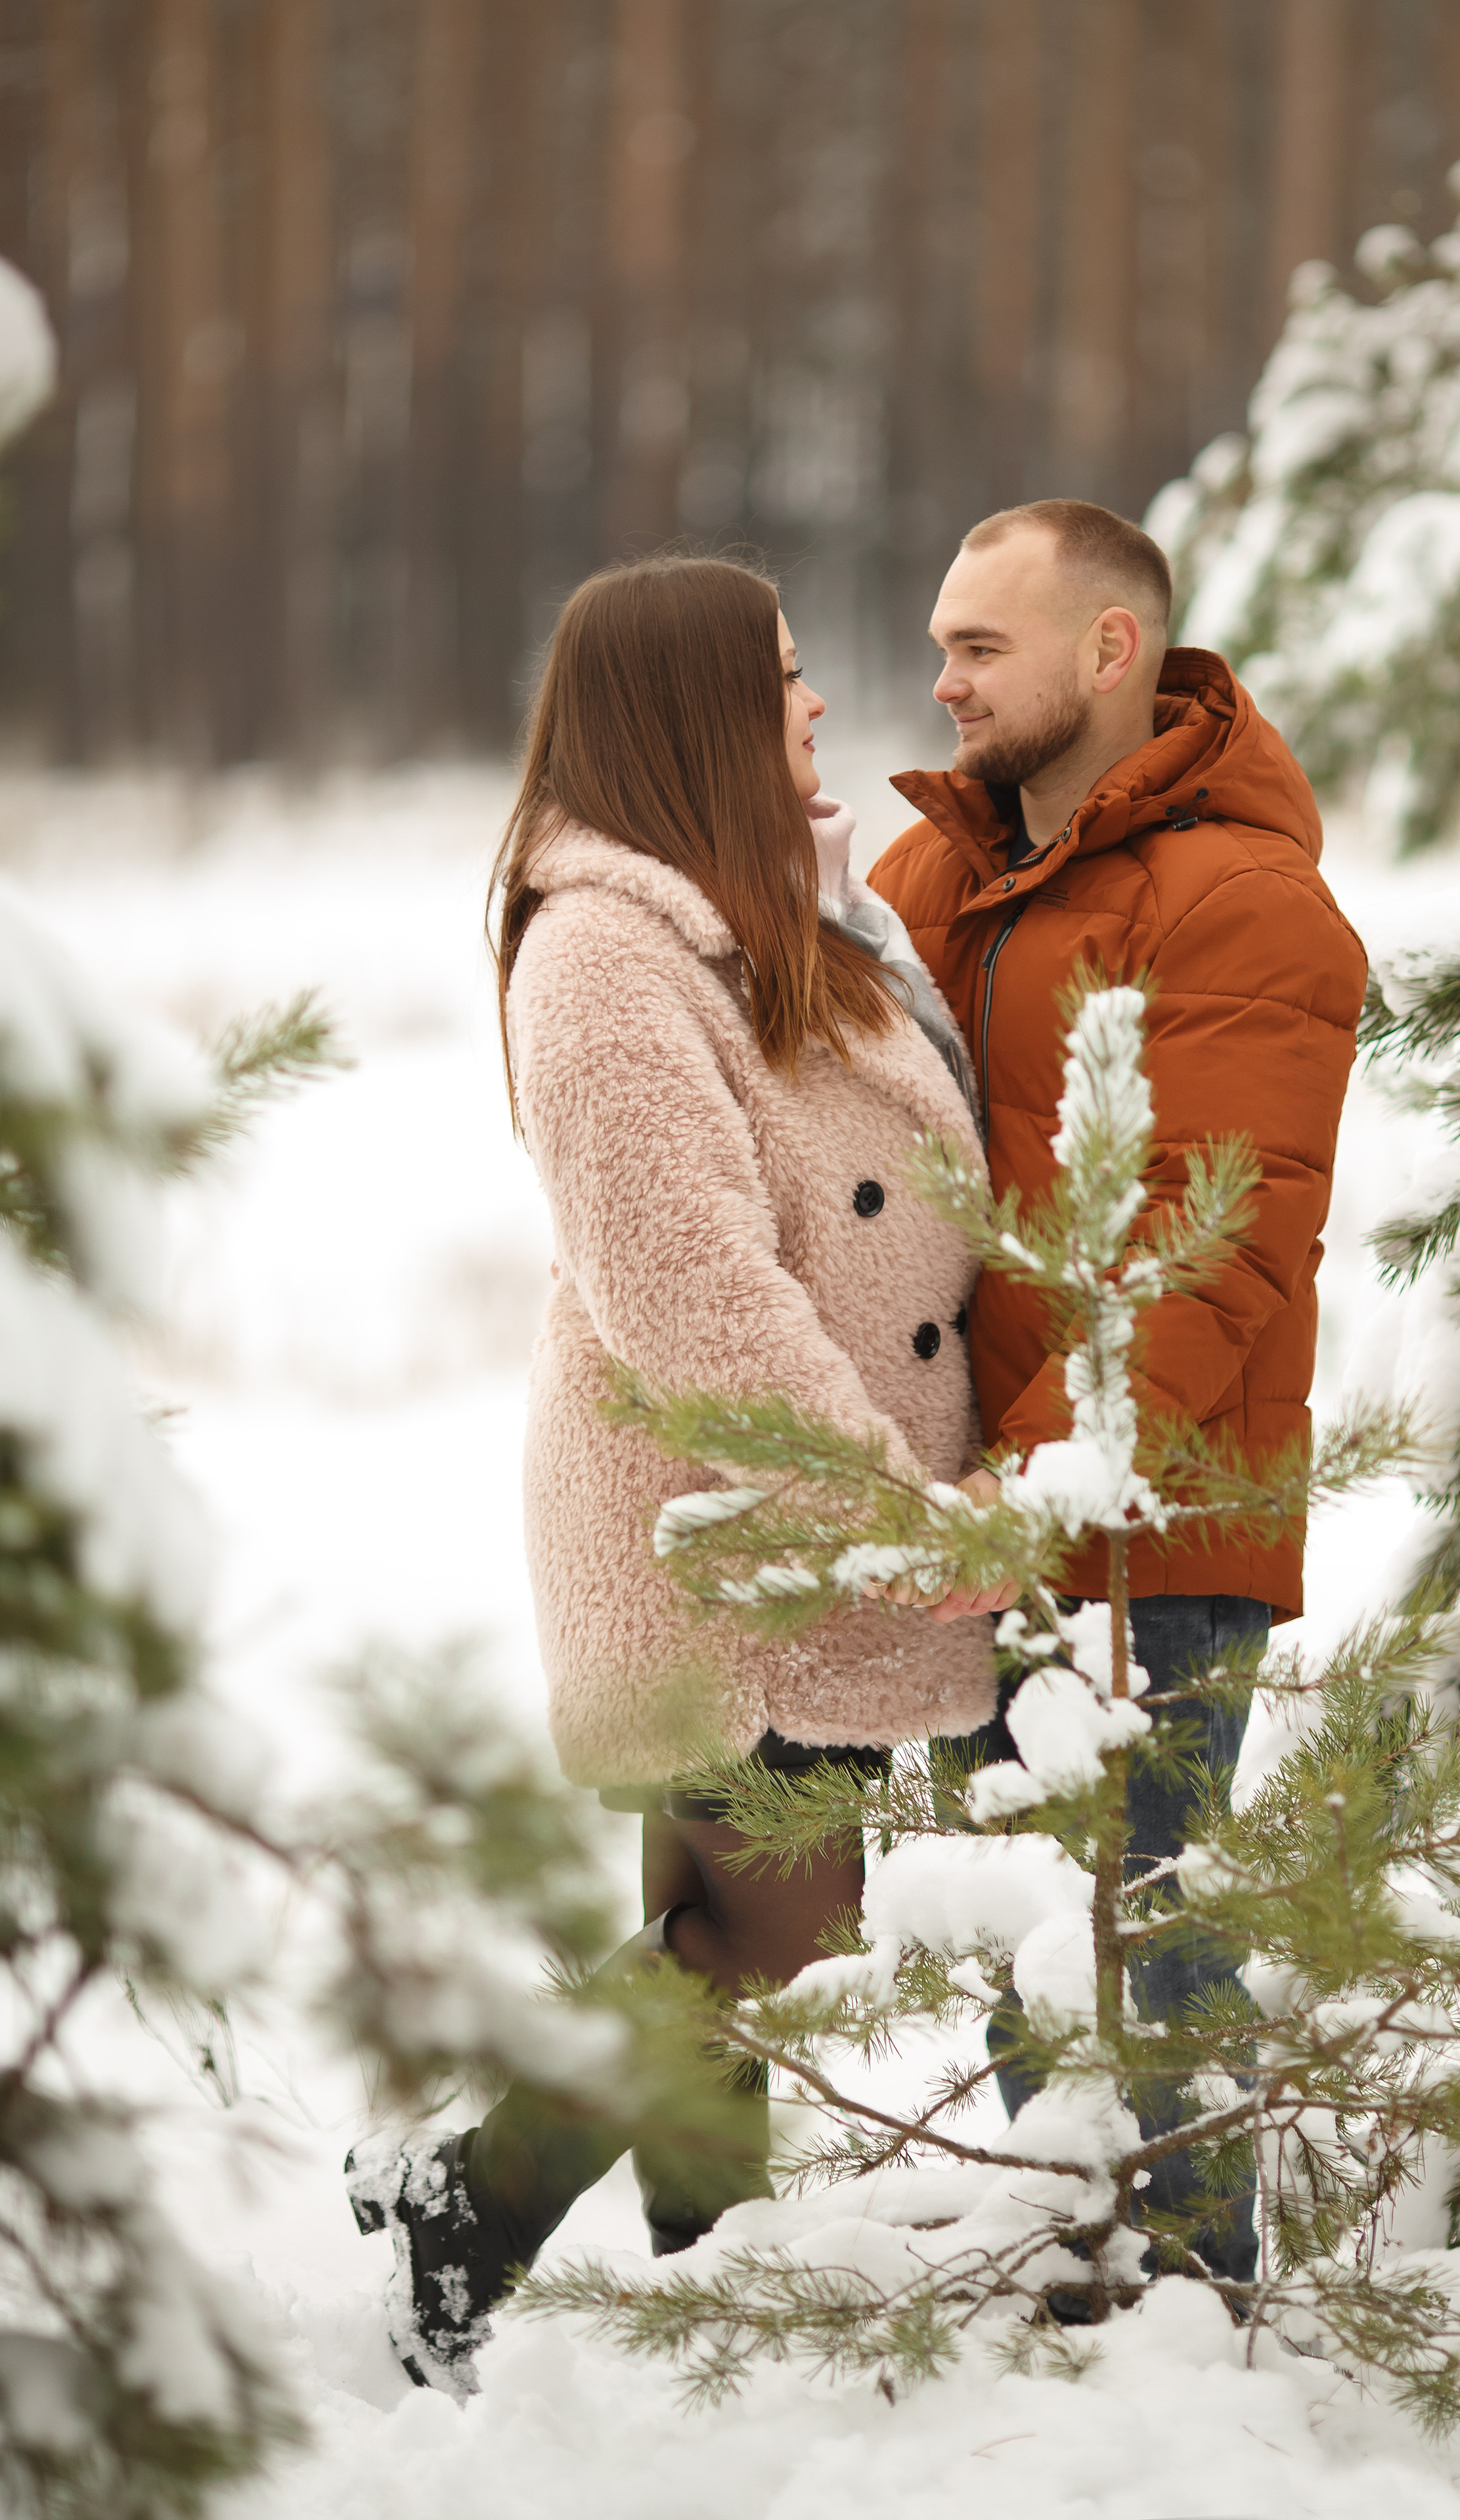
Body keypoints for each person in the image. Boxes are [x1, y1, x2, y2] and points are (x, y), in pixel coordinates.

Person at [346, 554, 1010, 2395]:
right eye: (784, 679)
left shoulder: (745, 916)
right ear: (696, 714)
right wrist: (886, 1515)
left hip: (766, 1520)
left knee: (722, 1924)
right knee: (767, 1927)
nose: (817, 706)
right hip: (716, 1530)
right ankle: (462, 2205)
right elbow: (697, 1292)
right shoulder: (604, 963)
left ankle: (703, 2288)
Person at [870, 498, 1367, 2288]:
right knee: (1023, 1972)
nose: (939, 682)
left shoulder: (1247, 904)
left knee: (1150, 1975)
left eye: (977, 648)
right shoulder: (939, 877)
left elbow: (1209, 1255)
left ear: (1108, 651)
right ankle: (1082, 2314)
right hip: (967, 1519)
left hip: (1157, 1534)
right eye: (938, 644)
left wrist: (1038, 1487)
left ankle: (1202, 2319)